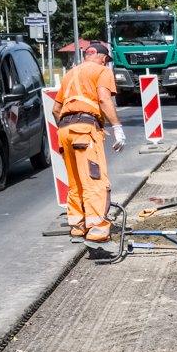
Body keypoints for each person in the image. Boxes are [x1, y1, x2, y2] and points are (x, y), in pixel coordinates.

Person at [56, 41, 126, 256]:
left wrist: (69, 125)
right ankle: (98, 235)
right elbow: (104, 99)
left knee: (77, 182)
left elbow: (56, 108)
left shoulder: (70, 74)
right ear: (104, 58)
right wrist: (117, 127)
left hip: (65, 131)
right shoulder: (102, 71)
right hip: (85, 131)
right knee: (95, 183)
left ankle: (78, 228)